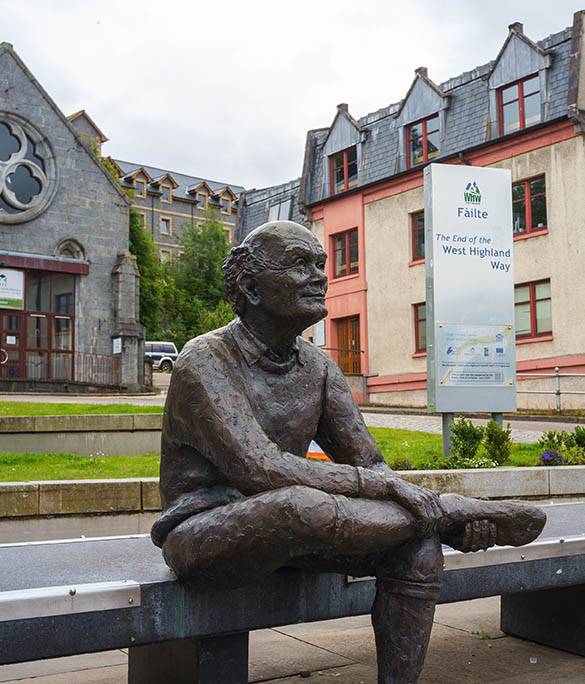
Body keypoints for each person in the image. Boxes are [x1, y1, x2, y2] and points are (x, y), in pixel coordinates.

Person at [152, 220, 545, 684]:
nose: (320, 276)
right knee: (298, 504)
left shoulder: (318, 367)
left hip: (296, 528)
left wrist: (387, 486)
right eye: (300, 265)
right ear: (251, 287)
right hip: (204, 534)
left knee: (417, 548)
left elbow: (371, 463)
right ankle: (446, 514)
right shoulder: (204, 360)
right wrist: (386, 488)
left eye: (320, 264)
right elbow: (260, 469)